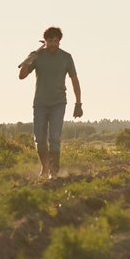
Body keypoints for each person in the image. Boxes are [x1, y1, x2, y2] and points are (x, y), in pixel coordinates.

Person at [17, 26, 81, 180]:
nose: (53, 44)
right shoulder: (37, 56)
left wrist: (78, 103)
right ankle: (44, 167)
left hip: (58, 103)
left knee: (54, 137)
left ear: (59, 41)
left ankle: (54, 171)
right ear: (45, 42)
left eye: (55, 41)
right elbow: (21, 76)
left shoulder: (66, 57)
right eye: (50, 41)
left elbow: (74, 80)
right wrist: (28, 61)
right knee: (39, 138)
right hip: (40, 103)